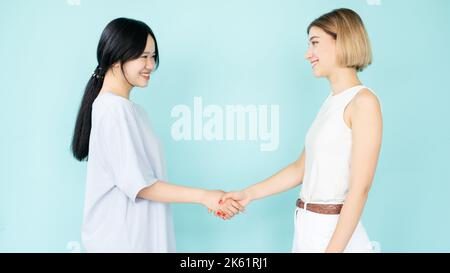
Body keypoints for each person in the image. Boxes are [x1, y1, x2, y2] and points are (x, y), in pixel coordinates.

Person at [71, 17, 243, 252]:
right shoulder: (114, 110)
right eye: (143, 56)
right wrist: (205, 197)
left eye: (153, 57)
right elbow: (140, 185)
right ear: (115, 57)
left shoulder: (128, 110)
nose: (150, 65)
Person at [221, 8, 382, 253]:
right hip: (308, 228)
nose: (309, 54)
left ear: (342, 40)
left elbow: (360, 189)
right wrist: (248, 193)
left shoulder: (363, 102)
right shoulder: (331, 102)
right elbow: (301, 169)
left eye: (315, 43)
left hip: (335, 233)